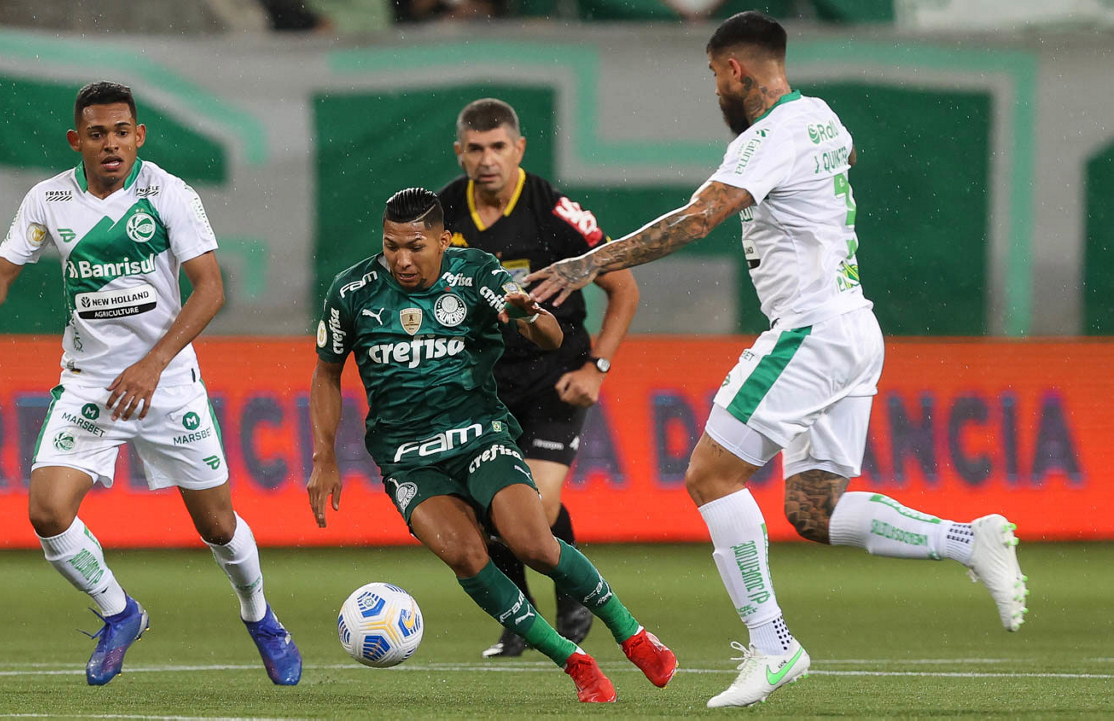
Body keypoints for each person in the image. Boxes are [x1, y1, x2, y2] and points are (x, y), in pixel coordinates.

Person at [527, 12, 1027, 708]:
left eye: (714, 76)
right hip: (855, 327)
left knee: (710, 475)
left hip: (811, 330)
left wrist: (589, 263)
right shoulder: (821, 117)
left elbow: (698, 217)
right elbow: (843, 159)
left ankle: (774, 644)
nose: (715, 91)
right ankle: (969, 540)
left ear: (735, 69)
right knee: (814, 509)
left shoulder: (769, 136)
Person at [0, 81, 302, 687]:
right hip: (91, 384)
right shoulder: (48, 199)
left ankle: (260, 616)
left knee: (218, 526)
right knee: (47, 511)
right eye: (97, 134)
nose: (111, 144)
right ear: (77, 141)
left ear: (139, 136)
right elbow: (1, 271)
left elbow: (211, 290)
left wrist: (153, 364)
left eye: (122, 132)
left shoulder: (169, 194)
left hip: (166, 383)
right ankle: (120, 613)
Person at [306, 187, 677, 703]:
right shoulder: (352, 292)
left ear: (444, 240)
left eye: (415, 246)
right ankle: (574, 662)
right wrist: (324, 455)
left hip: (479, 434)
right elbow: (326, 373)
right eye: (391, 246)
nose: (402, 260)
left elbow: (550, 338)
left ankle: (633, 635)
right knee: (465, 555)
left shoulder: (477, 273)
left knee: (533, 543)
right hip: (408, 458)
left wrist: (530, 315)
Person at [437, 98, 641, 658]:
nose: (487, 160)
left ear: (519, 149)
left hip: (556, 377)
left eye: (498, 147)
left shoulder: (556, 212)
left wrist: (597, 367)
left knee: (535, 508)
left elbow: (623, 288)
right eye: (475, 149)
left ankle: (574, 599)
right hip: (482, 386)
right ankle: (519, 620)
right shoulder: (442, 215)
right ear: (460, 153)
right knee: (488, 509)